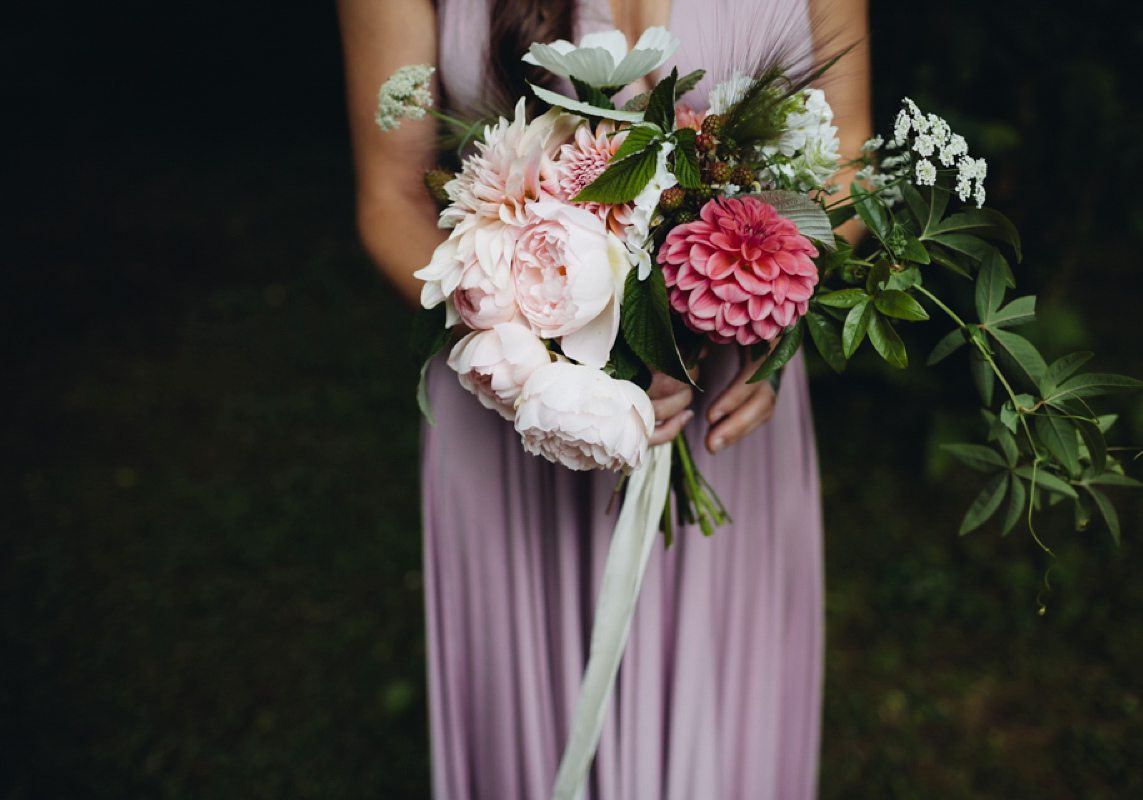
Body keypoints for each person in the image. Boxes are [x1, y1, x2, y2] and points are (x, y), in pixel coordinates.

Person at [337, 0, 870, 797]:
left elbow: (848, 153)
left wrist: (772, 308)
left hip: (723, 421)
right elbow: (392, 197)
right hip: (514, 427)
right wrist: (540, 357)